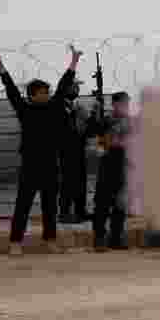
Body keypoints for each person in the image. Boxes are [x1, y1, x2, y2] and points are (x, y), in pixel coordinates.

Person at [0, 45, 83, 256]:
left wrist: (74, 61)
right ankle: (15, 242)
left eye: (47, 92)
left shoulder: (54, 107)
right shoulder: (25, 110)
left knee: (50, 206)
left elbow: (63, 85)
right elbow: (12, 90)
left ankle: (50, 240)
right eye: (42, 93)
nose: (47, 95)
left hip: (51, 164)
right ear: (32, 95)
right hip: (30, 166)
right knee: (22, 206)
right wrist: (1, 66)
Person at [90, 91, 132, 251]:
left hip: (124, 165)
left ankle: (116, 237)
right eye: (122, 103)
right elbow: (99, 146)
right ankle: (99, 237)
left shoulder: (130, 122)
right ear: (114, 105)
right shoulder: (106, 121)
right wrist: (107, 141)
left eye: (127, 104)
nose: (125, 107)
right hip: (108, 166)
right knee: (102, 205)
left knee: (120, 204)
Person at [58, 81, 91, 223]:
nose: (76, 89)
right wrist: (73, 114)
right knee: (68, 181)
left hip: (79, 147)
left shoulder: (78, 107)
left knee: (80, 180)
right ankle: (65, 213)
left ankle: (80, 211)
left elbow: (87, 129)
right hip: (66, 149)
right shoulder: (59, 106)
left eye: (77, 87)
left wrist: (90, 117)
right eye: (73, 86)